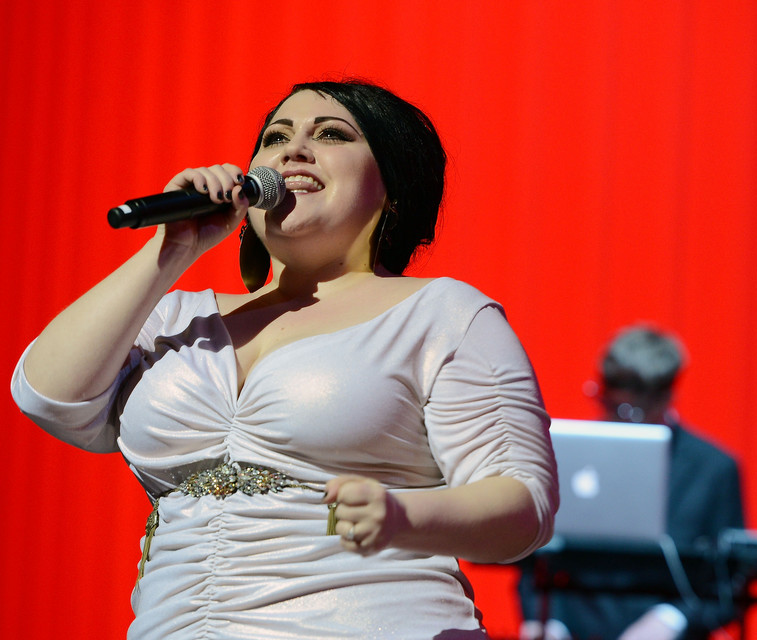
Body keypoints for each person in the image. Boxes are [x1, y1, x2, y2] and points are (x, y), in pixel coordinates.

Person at [11, 79, 559, 639]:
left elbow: (524, 507)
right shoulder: (176, 316)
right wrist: (170, 249)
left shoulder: (442, 313)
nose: (292, 149)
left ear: (392, 184)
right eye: (275, 137)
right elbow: (48, 396)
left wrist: (402, 518)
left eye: (330, 134)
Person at [518, 324, 745, 640]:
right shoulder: (571, 454)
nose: (615, 417)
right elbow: (536, 559)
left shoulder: (713, 470)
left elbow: (730, 583)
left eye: (628, 410)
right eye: (607, 403)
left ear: (667, 398)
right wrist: (548, 623)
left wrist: (669, 621)